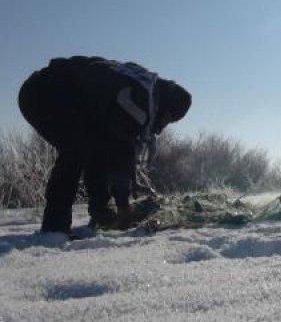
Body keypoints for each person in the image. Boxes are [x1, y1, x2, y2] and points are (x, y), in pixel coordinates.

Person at [18, 56, 192, 234]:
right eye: (167, 119)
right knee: (75, 151)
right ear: (164, 106)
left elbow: (112, 143)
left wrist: (128, 177)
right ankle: (54, 227)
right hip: (42, 94)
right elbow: (121, 152)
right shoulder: (140, 100)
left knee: (94, 147)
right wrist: (124, 207)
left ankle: (100, 212)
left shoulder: (144, 84)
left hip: (53, 95)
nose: (162, 127)